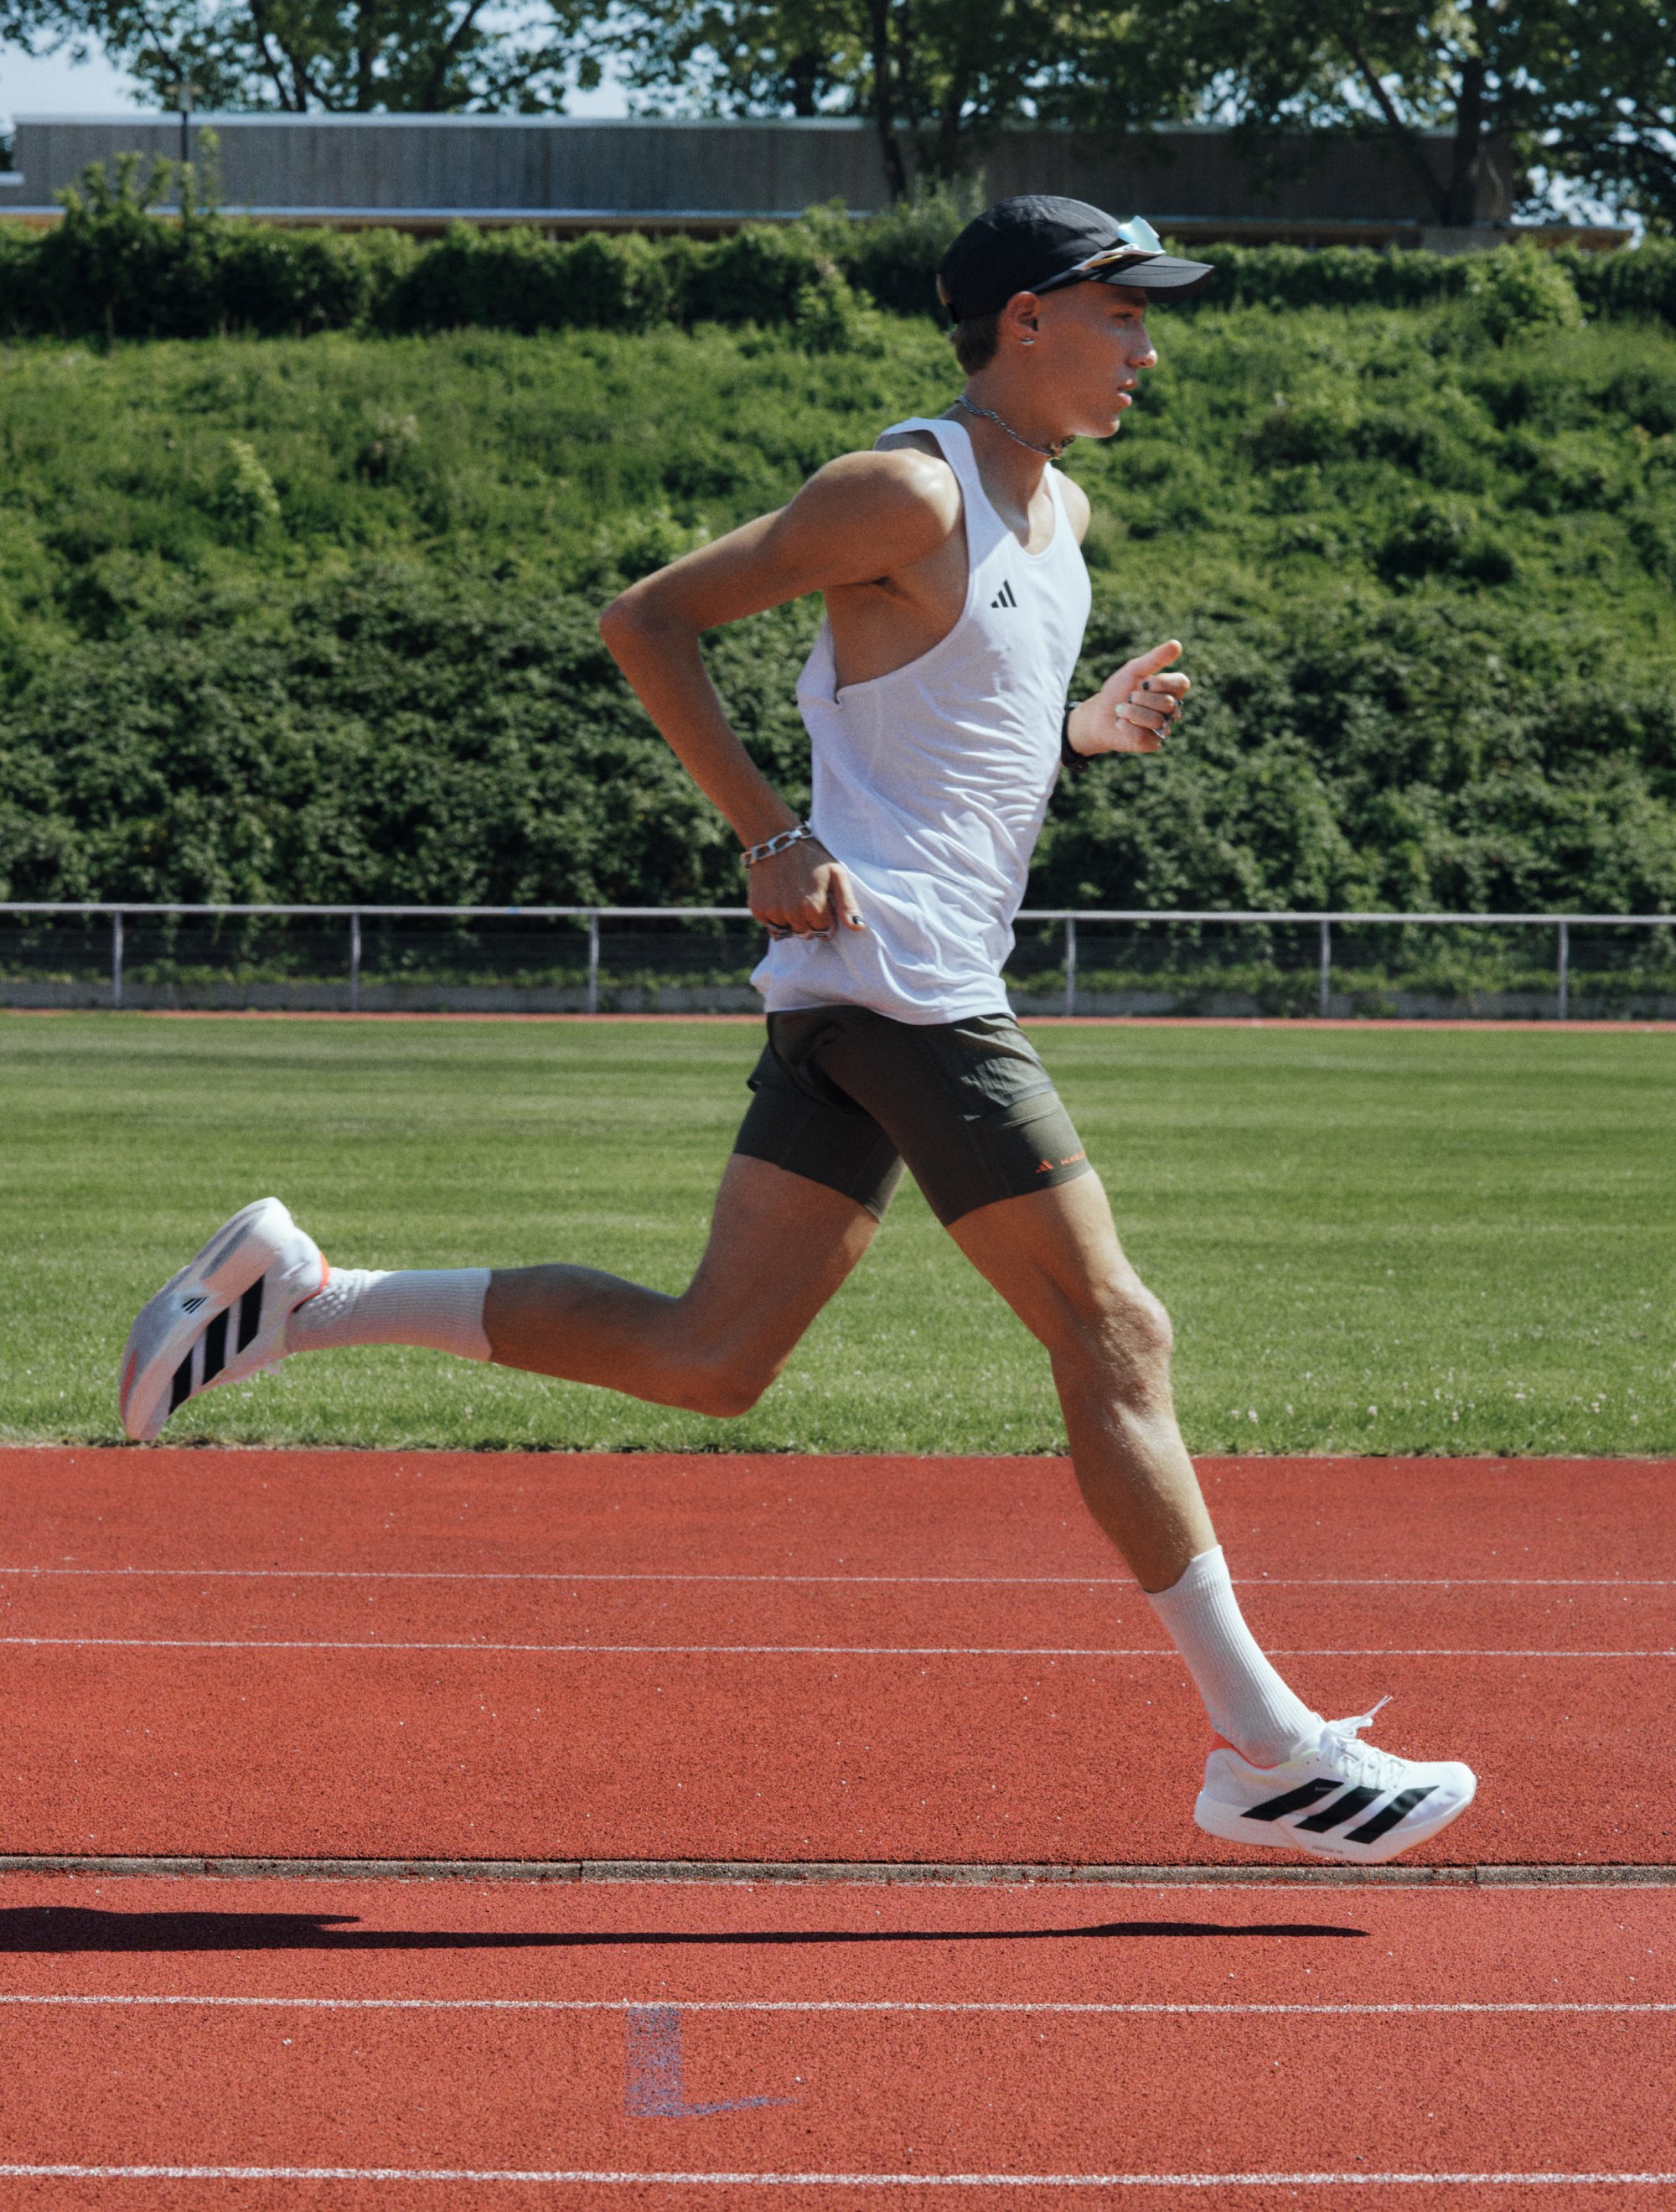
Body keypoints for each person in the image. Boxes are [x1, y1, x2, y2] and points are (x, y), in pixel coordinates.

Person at [116, 194, 1474, 1861]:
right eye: (1121, 316)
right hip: (903, 981)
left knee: (711, 1353)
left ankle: (305, 1301)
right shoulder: (902, 488)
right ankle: (1265, 1746)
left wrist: (1081, 736)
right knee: (1115, 1332)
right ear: (1023, 316)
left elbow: (949, 728)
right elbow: (648, 619)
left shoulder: (1065, 517)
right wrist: (768, 831)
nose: (1145, 348)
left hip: (881, 985)